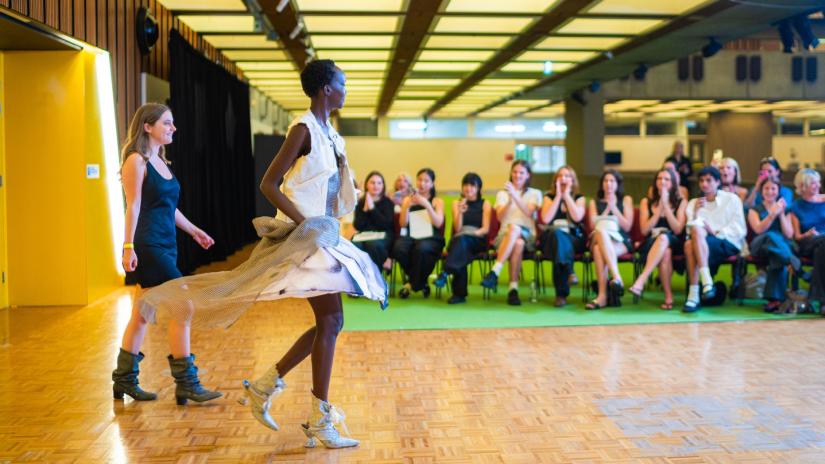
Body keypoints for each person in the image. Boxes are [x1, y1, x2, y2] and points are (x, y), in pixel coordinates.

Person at [138, 59, 388, 449]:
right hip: (307, 237)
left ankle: (267, 387)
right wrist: (304, 224)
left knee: (331, 322)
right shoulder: (303, 129)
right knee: (331, 321)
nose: (346, 89)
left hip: (323, 235)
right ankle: (316, 418)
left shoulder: (330, 134)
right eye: (342, 82)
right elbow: (269, 184)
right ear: (326, 88)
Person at [111, 103, 221, 405]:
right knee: (184, 305)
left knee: (143, 314)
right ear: (148, 126)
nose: (173, 128)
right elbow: (133, 206)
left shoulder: (160, 160)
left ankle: (124, 380)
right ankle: (187, 383)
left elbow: (169, 208)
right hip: (148, 245)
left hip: (166, 244)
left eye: (172, 123)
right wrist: (128, 247)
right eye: (167, 123)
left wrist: (194, 231)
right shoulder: (136, 161)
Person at [683, 166, 746, 312]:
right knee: (690, 242)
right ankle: (706, 284)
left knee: (690, 245)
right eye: (701, 181)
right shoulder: (693, 203)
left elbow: (739, 229)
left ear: (718, 182)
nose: (704, 184)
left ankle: (694, 295)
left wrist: (714, 232)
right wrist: (696, 213)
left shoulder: (732, 199)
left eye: (708, 180)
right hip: (702, 242)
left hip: (727, 242)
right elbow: (689, 231)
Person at [480, 160, 543, 306]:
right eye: (515, 172)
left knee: (515, 229)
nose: (517, 175)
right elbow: (500, 217)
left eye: (521, 172)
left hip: (528, 235)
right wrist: (509, 200)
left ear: (528, 175)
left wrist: (515, 195)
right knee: (518, 243)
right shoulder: (503, 193)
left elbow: (528, 212)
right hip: (504, 236)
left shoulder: (535, 193)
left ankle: (495, 271)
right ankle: (513, 290)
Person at [628, 168, 687, 310]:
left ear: (673, 183)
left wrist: (666, 206)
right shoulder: (646, 202)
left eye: (667, 179)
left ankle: (641, 280)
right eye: (659, 179)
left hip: (674, 240)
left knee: (664, 238)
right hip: (651, 241)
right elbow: (644, 230)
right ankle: (668, 297)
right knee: (665, 252)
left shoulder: (681, 202)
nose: (663, 182)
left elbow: (678, 229)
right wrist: (659, 210)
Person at [433, 172, 491, 304]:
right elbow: (458, 228)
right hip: (461, 236)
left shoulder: (485, 203)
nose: (468, 188)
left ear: (478, 188)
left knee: (461, 245)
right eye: (466, 185)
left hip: (477, 238)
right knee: (461, 246)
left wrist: (471, 234)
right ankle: (455, 288)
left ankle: (447, 276)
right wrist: (460, 212)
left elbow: (486, 228)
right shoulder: (456, 203)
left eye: (472, 185)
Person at [748, 178, 801, 312]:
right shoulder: (754, 209)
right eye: (766, 188)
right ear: (761, 191)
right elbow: (758, 229)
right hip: (760, 245)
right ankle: (791, 259)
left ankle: (774, 300)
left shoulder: (786, 210)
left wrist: (781, 214)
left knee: (777, 257)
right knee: (771, 235)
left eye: (773, 188)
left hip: (778, 248)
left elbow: (789, 234)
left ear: (778, 191)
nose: (770, 191)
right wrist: (772, 215)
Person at [392, 168, 445, 299]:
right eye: (420, 180)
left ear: (432, 184)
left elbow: (438, 223)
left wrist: (426, 204)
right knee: (398, 248)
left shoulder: (437, 201)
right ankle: (421, 282)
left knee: (422, 248)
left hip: (431, 237)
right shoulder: (408, 199)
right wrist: (406, 206)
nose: (422, 183)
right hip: (412, 235)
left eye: (426, 181)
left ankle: (410, 284)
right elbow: (403, 224)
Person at [584, 169, 634, 310]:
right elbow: (592, 225)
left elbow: (627, 226)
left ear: (617, 184)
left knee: (598, 250)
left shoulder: (626, 200)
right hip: (598, 235)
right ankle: (617, 277)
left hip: (620, 238)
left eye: (612, 181)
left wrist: (614, 207)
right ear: (602, 184)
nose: (609, 184)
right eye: (606, 181)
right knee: (601, 231)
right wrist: (607, 208)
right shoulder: (594, 202)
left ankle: (602, 297)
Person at [538, 166, 586, 307]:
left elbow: (577, 217)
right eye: (560, 176)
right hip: (551, 237)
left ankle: (560, 295)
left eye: (567, 176)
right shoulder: (549, 197)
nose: (563, 179)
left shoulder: (579, 198)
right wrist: (559, 196)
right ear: (556, 180)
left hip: (573, 238)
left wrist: (567, 196)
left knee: (560, 244)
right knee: (558, 237)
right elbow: (546, 219)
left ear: (573, 180)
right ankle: (569, 271)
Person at [790, 169, 825, 308]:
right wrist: (808, 234)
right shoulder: (796, 206)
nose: (818, 185)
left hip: (821, 243)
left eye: (818, 182)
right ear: (802, 186)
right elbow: (797, 236)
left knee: (821, 251)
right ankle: (819, 299)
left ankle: (821, 299)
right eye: (813, 183)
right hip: (807, 242)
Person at [352, 171, 394, 273]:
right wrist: (365, 210)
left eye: (379, 183)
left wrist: (372, 208)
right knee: (354, 245)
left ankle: (375, 277)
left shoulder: (387, 202)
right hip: (364, 236)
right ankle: (361, 278)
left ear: (383, 186)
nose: (376, 186)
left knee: (372, 245)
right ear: (367, 185)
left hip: (383, 235)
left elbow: (385, 225)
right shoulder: (361, 202)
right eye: (372, 183)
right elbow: (358, 226)